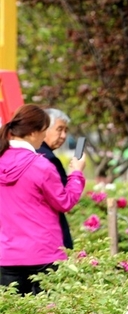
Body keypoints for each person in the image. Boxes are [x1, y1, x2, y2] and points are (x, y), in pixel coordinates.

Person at [0, 105, 86, 295]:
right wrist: (76, 174)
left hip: (7, 256)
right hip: (44, 254)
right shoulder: (40, 165)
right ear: (33, 132)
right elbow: (65, 202)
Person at [37, 107, 74, 249]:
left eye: (66, 131)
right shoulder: (49, 159)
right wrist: (76, 174)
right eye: (59, 129)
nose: (64, 136)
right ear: (45, 128)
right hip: (49, 239)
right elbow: (64, 199)